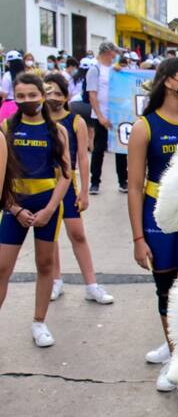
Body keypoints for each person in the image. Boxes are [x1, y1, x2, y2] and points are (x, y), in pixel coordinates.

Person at [126, 57, 178, 412]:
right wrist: (137, 238)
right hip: (158, 221)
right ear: (170, 82)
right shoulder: (145, 127)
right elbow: (133, 187)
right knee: (167, 291)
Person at [0, 73, 70, 348]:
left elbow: (66, 174)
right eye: (21, 96)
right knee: (2, 267)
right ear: (14, 98)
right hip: (14, 205)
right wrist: (14, 209)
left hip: (47, 207)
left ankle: (39, 322)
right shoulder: (7, 128)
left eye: (32, 95)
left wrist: (50, 209)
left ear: (43, 95)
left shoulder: (57, 130)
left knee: (45, 265)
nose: (27, 100)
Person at [43, 73, 114, 304]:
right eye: (48, 92)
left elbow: (83, 157)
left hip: (67, 182)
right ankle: (55, 281)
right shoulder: (38, 120)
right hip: (44, 184)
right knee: (49, 236)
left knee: (77, 234)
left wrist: (84, 190)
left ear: (65, 96)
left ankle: (91, 285)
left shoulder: (75, 121)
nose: (52, 97)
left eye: (57, 92)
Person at [86, 41, 128, 195]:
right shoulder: (95, 70)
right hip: (101, 115)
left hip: (117, 114)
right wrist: (100, 116)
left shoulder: (115, 69)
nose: (116, 55)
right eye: (114, 52)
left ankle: (123, 181)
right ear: (108, 52)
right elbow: (92, 94)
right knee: (99, 148)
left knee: (120, 150)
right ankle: (95, 182)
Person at [0, 51, 25, 120]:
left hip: (9, 105)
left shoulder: (7, 75)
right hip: (23, 104)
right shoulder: (25, 74)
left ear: (9, 63)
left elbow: (4, 94)